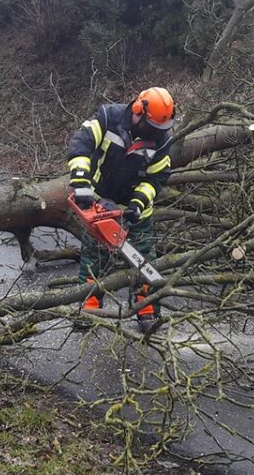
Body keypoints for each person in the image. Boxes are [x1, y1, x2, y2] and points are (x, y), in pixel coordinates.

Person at [67, 86, 174, 331]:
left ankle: (147, 311)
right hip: (98, 201)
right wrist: (81, 182)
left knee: (144, 260)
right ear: (138, 109)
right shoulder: (107, 118)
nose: (154, 133)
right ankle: (90, 308)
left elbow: (156, 179)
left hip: (134, 211)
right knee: (94, 258)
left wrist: (138, 204)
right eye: (150, 127)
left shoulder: (163, 140)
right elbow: (81, 144)